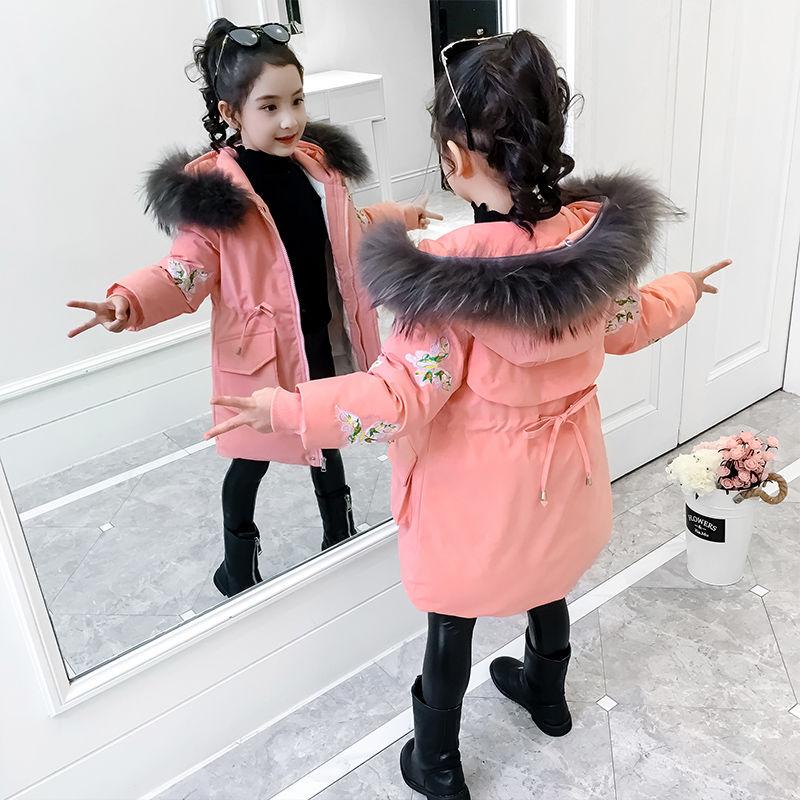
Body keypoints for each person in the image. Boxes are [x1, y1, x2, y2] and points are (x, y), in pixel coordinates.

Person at [205, 30, 731, 799]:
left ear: (454, 159)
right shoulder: (592, 248)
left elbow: (393, 398)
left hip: (473, 502)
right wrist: (683, 288)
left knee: (451, 619)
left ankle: (438, 763)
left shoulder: (447, 288)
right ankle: (546, 695)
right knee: (548, 578)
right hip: (564, 485)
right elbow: (632, 321)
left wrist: (286, 407)